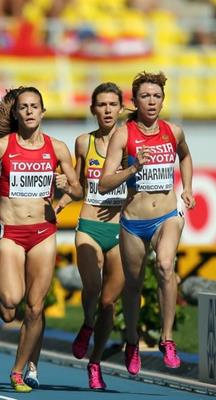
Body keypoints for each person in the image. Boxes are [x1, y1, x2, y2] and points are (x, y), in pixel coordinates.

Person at [0, 86, 82, 393]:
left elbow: (80, 190)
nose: (30, 111)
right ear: (16, 114)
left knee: (35, 307)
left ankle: (19, 370)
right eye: (24, 107)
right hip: (12, 235)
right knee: (10, 302)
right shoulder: (2, 146)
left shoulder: (57, 149)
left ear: (43, 112)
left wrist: (66, 184)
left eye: (35, 106)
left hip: (43, 233)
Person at [99, 71, 195, 375]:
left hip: (167, 214)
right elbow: (103, 183)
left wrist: (188, 188)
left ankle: (168, 339)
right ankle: (131, 339)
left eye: (156, 96)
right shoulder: (124, 135)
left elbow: (186, 157)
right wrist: (134, 168)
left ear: (163, 100)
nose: (151, 101)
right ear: (135, 100)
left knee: (166, 266)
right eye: (145, 96)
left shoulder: (174, 131)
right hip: (133, 220)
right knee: (134, 284)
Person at [55, 82, 127, 390]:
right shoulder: (83, 142)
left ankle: (95, 362)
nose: (108, 110)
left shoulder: (132, 142)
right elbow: (79, 186)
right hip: (89, 224)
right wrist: (61, 195)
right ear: (93, 109)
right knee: (93, 286)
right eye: (102, 104)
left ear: (121, 108)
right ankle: (87, 322)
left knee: (110, 303)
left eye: (113, 104)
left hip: (123, 229)